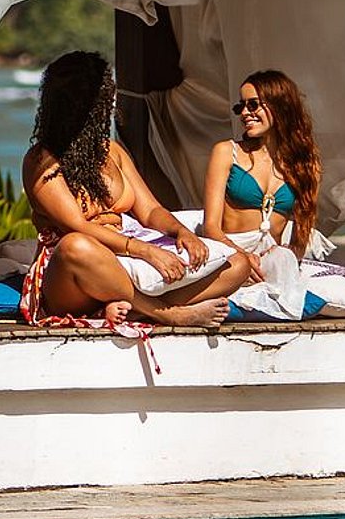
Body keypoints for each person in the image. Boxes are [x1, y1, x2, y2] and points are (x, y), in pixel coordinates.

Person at [20, 50, 256, 327]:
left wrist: (181, 233)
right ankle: (167, 313)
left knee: (237, 264)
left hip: (128, 260)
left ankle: (133, 309)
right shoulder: (41, 161)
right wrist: (145, 251)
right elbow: (78, 226)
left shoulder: (113, 152)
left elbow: (151, 210)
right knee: (76, 245)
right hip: (74, 274)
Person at [201, 69, 345, 319]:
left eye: (253, 105)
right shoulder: (226, 152)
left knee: (288, 276)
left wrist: (284, 258)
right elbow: (211, 227)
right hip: (231, 254)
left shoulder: (305, 165)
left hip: (271, 260)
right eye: (241, 107)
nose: (245, 113)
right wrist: (243, 258)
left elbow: (301, 235)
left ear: (280, 106)